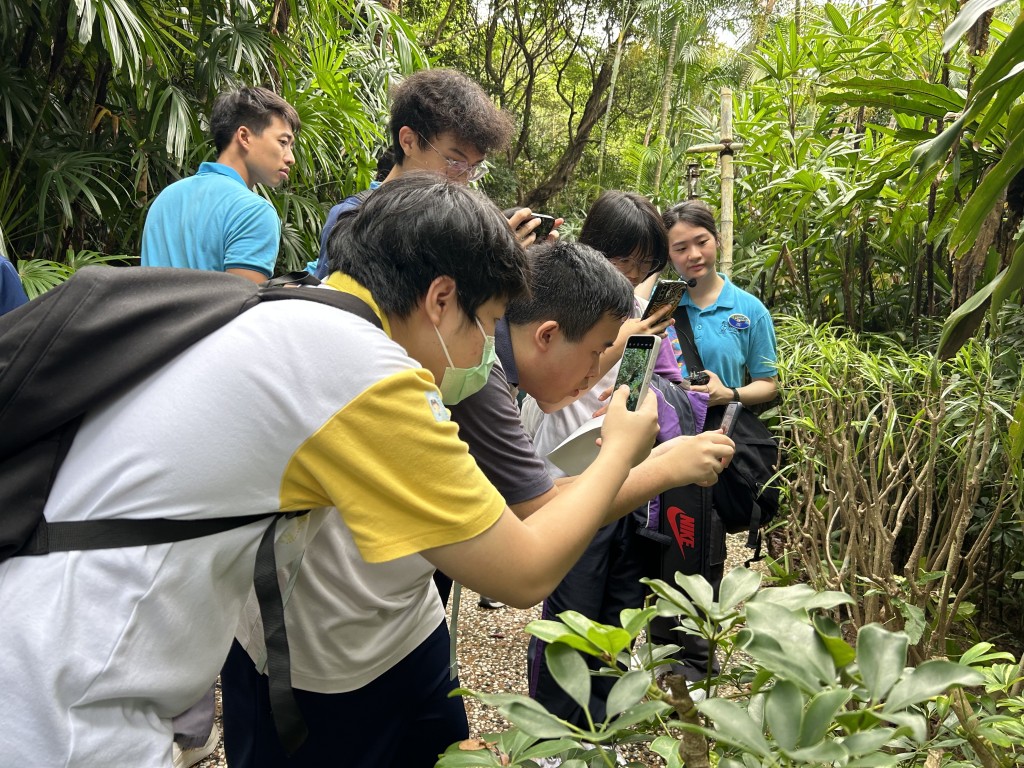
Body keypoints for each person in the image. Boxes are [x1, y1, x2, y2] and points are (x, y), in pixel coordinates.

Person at [1, 175, 705, 766]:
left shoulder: (289, 315)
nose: (484, 353)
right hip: (74, 698)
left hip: (49, 634)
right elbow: (522, 573)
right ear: (440, 300)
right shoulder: (363, 373)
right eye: (483, 322)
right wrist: (622, 449)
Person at [220, 233, 735, 768]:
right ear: (439, 300)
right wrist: (640, 463)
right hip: (317, 656)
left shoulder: (452, 362)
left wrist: (650, 461)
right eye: (489, 320)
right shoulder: (451, 376)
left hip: (405, 625)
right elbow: (528, 556)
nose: (490, 344)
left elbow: (532, 504)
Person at [523, 191, 694, 728]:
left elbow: (646, 387)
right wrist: (624, 340)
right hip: (569, 474)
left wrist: (644, 380)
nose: (635, 277)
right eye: (626, 262)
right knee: (571, 612)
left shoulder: (643, 314)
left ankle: (602, 724)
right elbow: (548, 394)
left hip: (628, 475)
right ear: (595, 247)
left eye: (645, 266)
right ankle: (554, 732)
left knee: (620, 608)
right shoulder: (565, 303)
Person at [650, 198, 779, 686]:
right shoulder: (660, 304)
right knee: (660, 541)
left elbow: (769, 383)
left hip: (716, 445)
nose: (693, 255)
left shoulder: (748, 309)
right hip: (661, 442)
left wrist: (730, 393)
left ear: (717, 240)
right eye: (679, 248)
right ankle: (662, 651)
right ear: (668, 255)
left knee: (704, 547)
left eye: (700, 242)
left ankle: (698, 660)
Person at [311, 68, 550, 279]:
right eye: (455, 162)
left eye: (473, 168)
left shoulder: (458, 225)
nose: (463, 180)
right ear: (408, 141)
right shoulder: (353, 219)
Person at [141, 86, 299, 283]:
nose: (291, 158)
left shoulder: (167, 197)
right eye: (283, 142)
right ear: (244, 137)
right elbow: (244, 300)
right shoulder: (254, 212)